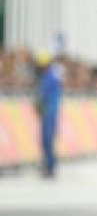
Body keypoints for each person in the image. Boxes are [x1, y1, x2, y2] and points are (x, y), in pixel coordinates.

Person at [34, 51, 62, 179]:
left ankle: (50, 165)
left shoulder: (49, 77)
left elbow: (43, 94)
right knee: (46, 139)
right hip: (49, 111)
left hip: (49, 112)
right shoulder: (50, 75)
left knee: (47, 139)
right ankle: (49, 164)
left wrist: (38, 104)